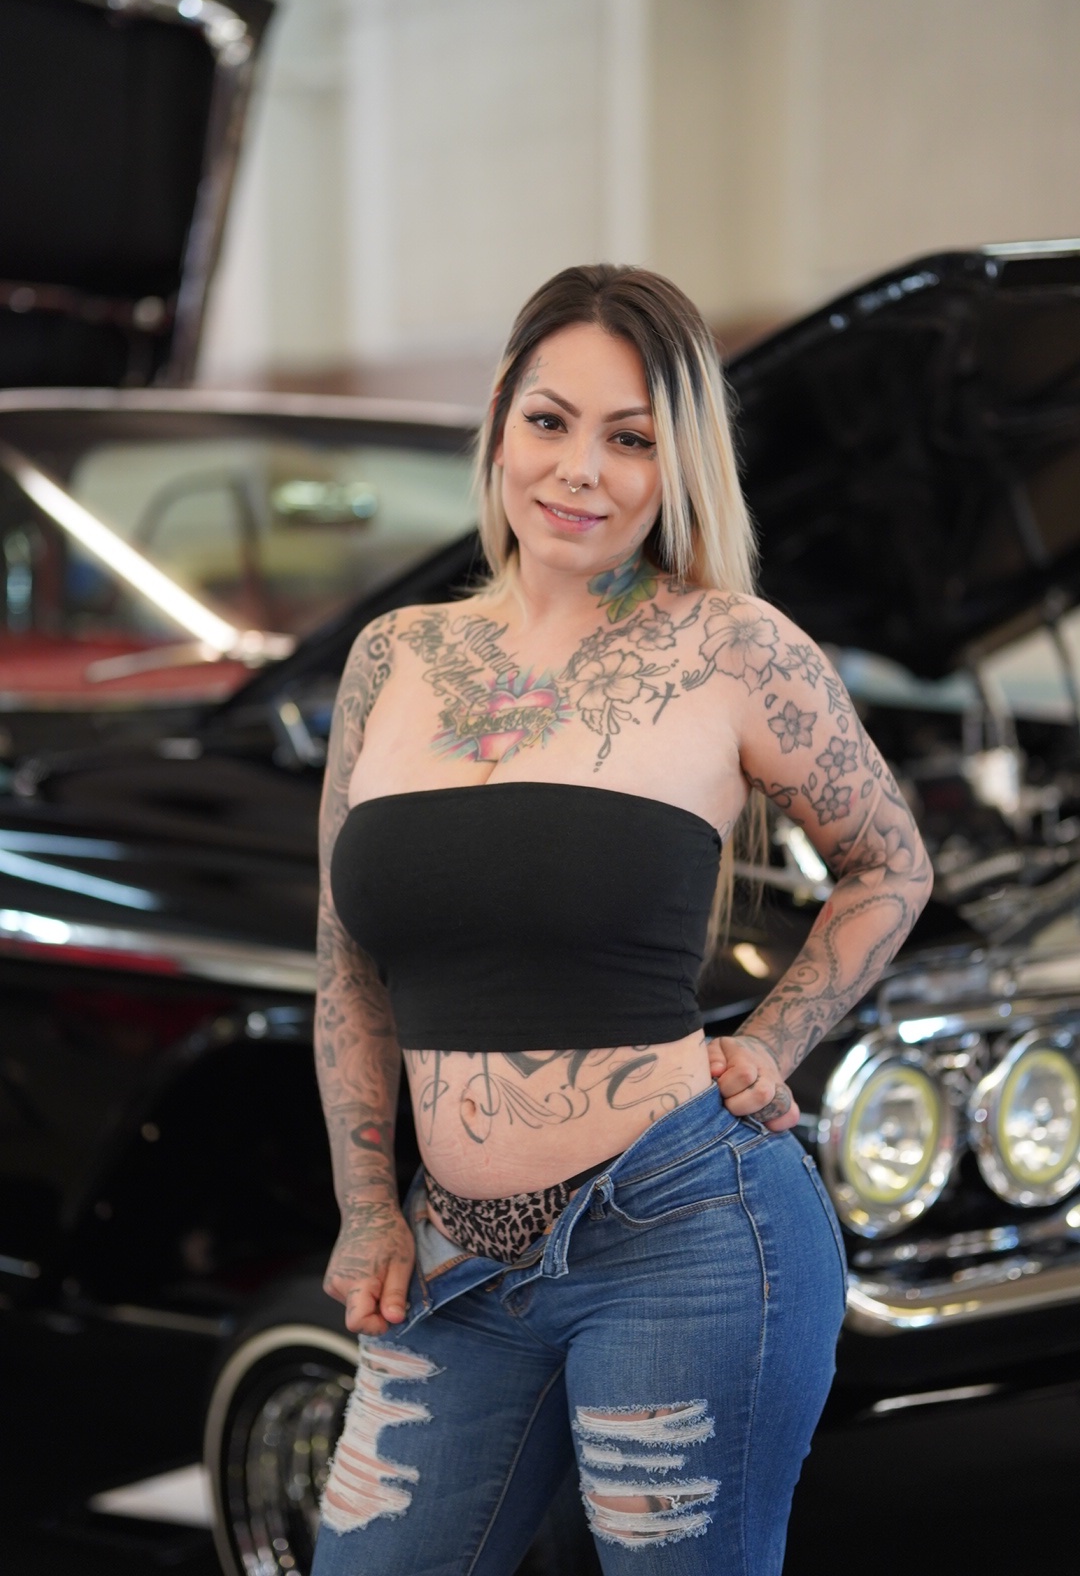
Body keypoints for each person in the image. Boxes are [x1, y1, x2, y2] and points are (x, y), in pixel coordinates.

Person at [309, 264, 932, 1576]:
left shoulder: (735, 648)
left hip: (685, 1236)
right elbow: (347, 968)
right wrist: (367, 1207)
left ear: (677, 461)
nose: (580, 470)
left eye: (631, 438)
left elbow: (890, 865)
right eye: (550, 421)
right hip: (450, 1257)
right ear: (500, 419)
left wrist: (774, 1039)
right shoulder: (392, 658)